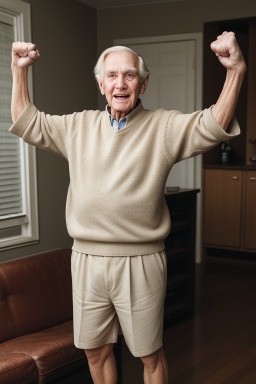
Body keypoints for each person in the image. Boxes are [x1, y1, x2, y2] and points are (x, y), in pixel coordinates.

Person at [10, 32, 246, 384]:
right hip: (86, 259)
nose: (121, 83)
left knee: (149, 355)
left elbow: (214, 125)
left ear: (144, 83)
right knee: (94, 350)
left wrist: (235, 71)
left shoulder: (163, 127)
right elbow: (28, 122)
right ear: (100, 83)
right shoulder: (77, 126)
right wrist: (19, 70)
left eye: (130, 75)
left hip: (141, 261)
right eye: (112, 75)